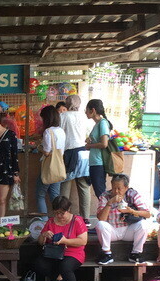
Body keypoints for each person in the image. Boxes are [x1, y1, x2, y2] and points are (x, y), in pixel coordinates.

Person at [35, 196, 88, 281]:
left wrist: (65, 241)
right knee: (39, 264)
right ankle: (59, 278)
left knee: (65, 266)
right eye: (56, 213)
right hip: (54, 253)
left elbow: (83, 241)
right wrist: (44, 235)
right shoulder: (51, 222)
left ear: (68, 210)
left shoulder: (77, 220)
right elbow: (40, 243)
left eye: (62, 213)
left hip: (74, 253)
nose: (59, 216)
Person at [94, 173, 151, 264]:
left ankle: (135, 254)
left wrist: (132, 211)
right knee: (100, 225)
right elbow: (101, 218)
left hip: (128, 230)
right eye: (114, 188)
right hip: (112, 230)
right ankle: (107, 254)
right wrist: (109, 203)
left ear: (126, 188)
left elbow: (147, 214)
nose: (116, 191)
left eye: (119, 188)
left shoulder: (133, 194)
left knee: (143, 224)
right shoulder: (105, 196)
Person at [59, 94, 91, 222]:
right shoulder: (84, 117)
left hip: (69, 154)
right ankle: (86, 218)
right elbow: (89, 135)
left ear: (67, 104)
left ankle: (63, 214)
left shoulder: (63, 116)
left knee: (65, 186)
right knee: (84, 187)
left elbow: (59, 133)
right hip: (84, 153)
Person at [36, 105, 66, 216]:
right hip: (58, 167)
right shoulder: (61, 131)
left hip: (49, 168)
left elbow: (47, 152)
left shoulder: (48, 132)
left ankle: (43, 222)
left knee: (40, 195)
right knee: (55, 196)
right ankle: (59, 219)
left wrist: (39, 147)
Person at [84, 98, 114, 200]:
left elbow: (104, 144)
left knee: (101, 194)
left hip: (99, 163)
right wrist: (90, 142)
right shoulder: (97, 124)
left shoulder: (102, 123)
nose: (85, 112)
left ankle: (107, 214)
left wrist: (89, 146)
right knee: (100, 193)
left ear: (93, 110)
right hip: (94, 162)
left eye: (86, 110)